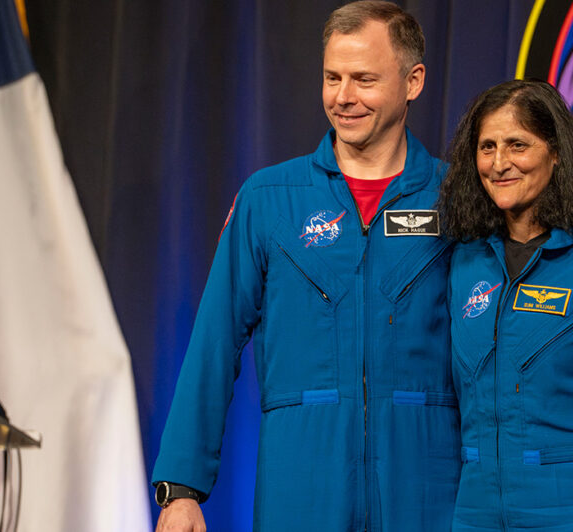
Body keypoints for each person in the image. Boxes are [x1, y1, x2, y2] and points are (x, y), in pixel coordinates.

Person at [151, 2, 459, 531]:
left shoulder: (458, 198)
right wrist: (181, 488)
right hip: (302, 486)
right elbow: (213, 342)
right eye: (332, 77)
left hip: (427, 486)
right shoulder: (269, 199)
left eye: (364, 79)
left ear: (413, 81)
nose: (343, 97)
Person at [438, 79, 573, 531]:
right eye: (487, 147)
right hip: (476, 510)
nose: (499, 163)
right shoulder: (464, 260)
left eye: (517, 145)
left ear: (556, 151)